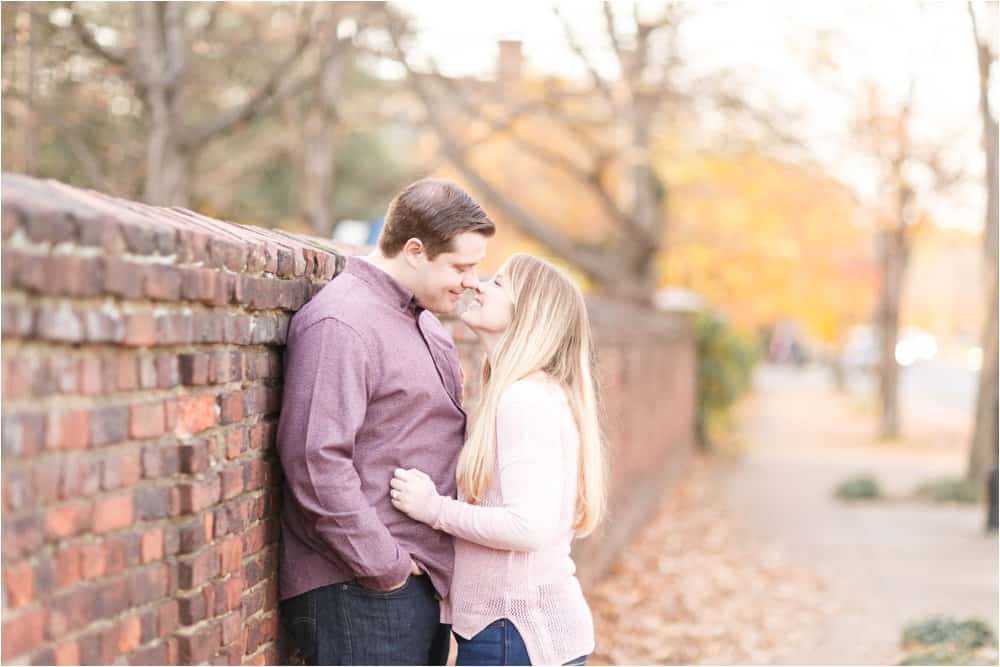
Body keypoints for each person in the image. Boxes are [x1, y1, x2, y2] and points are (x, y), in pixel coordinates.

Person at [276, 178, 495, 665]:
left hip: (417, 586)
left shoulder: (428, 325)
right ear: (415, 250)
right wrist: (386, 566)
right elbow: (314, 460)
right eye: (461, 266)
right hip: (360, 588)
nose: (471, 282)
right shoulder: (342, 322)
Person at [390, 253, 607, 666]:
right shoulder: (524, 394)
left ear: (529, 314)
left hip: (515, 634)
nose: (479, 285)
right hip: (510, 633)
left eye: (500, 284)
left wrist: (432, 509)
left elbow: (528, 526)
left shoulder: (524, 400)